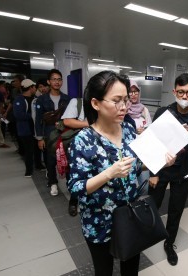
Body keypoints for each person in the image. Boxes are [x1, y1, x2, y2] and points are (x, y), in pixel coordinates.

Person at [68, 70, 174, 276]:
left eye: (126, 100)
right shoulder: (83, 140)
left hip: (130, 215)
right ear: (96, 103)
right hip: (99, 221)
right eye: (116, 101)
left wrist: (160, 162)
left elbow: (134, 166)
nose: (124, 106)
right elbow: (76, 187)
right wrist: (108, 173)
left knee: (131, 268)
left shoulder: (127, 129)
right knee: (104, 270)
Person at [148, 73, 188, 266]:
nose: (184, 97)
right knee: (152, 205)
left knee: (176, 209)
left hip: (183, 170)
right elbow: (152, 143)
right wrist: (153, 173)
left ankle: (169, 242)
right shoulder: (163, 113)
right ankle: (146, 234)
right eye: (181, 92)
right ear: (175, 91)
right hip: (161, 168)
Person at [35, 69, 71, 196]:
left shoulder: (67, 99)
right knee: (50, 160)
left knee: (67, 159)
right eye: (54, 79)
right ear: (48, 81)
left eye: (59, 79)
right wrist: (40, 138)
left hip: (65, 133)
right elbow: (38, 120)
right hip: (49, 133)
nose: (57, 82)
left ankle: (70, 183)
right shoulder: (42, 100)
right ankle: (53, 183)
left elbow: (71, 117)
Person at [61, 97, 88, 216]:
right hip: (77, 142)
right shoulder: (77, 102)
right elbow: (67, 121)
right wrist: (87, 124)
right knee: (74, 171)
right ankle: (73, 201)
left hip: (95, 142)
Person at [127, 79, 152, 193]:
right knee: (128, 186)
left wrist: (145, 131)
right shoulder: (123, 110)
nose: (133, 95)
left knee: (144, 186)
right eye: (130, 92)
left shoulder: (144, 110)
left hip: (143, 153)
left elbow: (151, 129)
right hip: (128, 154)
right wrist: (133, 131)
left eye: (136, 92)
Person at [13, 79, 37, 177]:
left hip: (35, 129)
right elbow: (18, 115)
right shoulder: (19, 100)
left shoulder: (35, 99)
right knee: (28, 151)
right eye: (34, 87)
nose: (35, 89)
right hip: (25, 130)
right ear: (30, 88)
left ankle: (38, 165)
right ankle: (29, 170)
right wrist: (33, 115)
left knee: (36, 149)